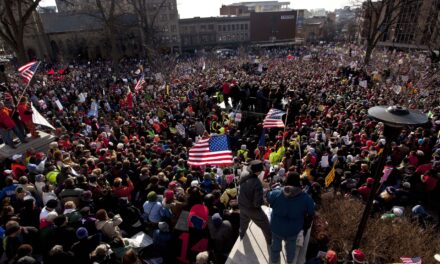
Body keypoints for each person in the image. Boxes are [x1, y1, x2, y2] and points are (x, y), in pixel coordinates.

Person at [267, 172, 315, 264]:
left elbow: (268, 197)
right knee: (291, 249)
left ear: (287, 180)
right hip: (293, 230)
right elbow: (311, 211)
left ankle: (274, 261)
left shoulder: (276, 193)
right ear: (298, 182)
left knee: (275, 248)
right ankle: (289, 261)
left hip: (276, 228)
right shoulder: (305, 198)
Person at [238, 160, 272, 245]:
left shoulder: (244, 173)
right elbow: (257, 203)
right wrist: (264, 202)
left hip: (242, 204)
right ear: (258, 172)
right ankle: (270, 242)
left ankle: (242, 235)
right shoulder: (257, 183)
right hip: (252, 209)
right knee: (265, 224)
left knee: (243, 222)